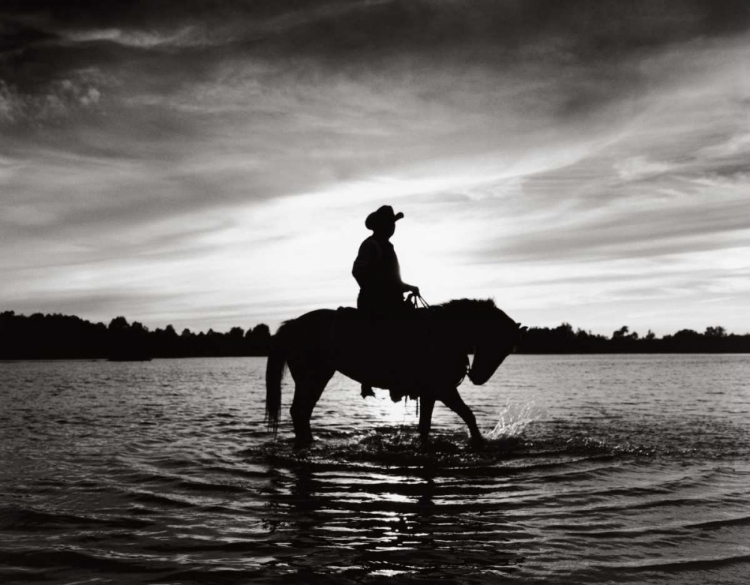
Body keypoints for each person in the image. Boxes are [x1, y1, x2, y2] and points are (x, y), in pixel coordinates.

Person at [352, 205, 419, 398]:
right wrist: (380, 290)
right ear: (381, 226)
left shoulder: (387, 246)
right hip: (374, 302)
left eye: (393, 224)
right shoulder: (371, 246)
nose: (393, 227)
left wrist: (406, 287)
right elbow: (358, 271)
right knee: (395, 334)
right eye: (390, 224)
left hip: (391, 300)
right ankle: (393, 382)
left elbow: (393, 280)